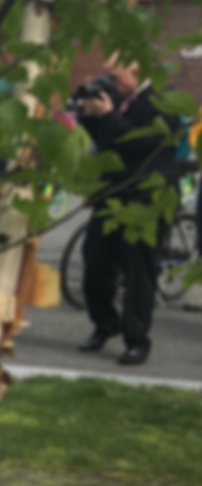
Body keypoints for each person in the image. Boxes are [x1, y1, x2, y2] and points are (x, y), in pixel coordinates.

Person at [77, 55, 174, 366]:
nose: (111, 83)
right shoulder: (117, 104)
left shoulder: (162, 101)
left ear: (136, 69)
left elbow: (139, 146)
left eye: (115, 77)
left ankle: (136, 339)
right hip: (112, 197)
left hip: (145, 200)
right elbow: (107, 141)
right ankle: (105, 322)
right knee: (95, 261)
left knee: (138, 272)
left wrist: (107, 117)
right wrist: (91, 115)